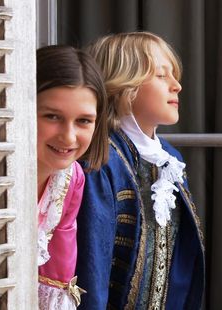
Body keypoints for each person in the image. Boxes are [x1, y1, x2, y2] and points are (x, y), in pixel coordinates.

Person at [76, 32, 205, 309]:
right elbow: (91, 267)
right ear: (124, 86)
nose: (177, 85)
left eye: (174, 75)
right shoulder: (101, 161)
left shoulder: (170, 159)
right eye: (161, 75)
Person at [36, 45, 108, 310]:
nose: (68, 137)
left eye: (83, 121)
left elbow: (57, 277)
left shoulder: (71, 178)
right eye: (52, 116)